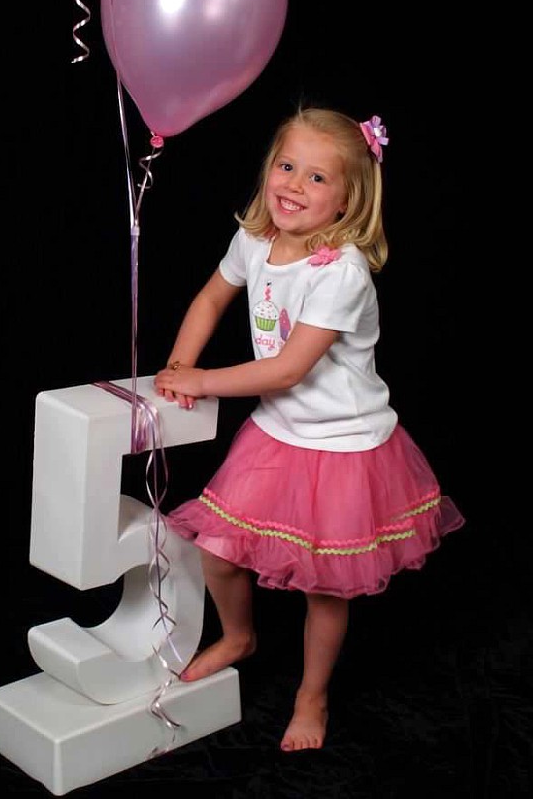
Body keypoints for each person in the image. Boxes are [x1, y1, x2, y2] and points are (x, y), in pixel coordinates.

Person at [153, 106, 464, 753]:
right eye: (286, 166)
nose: (294, 184)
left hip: (344, 446)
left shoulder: (340, 272)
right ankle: (240, 635)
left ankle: (311, 694)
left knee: (325, 585)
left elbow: (288, 368)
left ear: (348, 199)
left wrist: (202, 381)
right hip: (278, 433)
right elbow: (211, 298)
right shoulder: (255, 239)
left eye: (317, 177)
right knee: (218, 551)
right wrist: (180, 364)